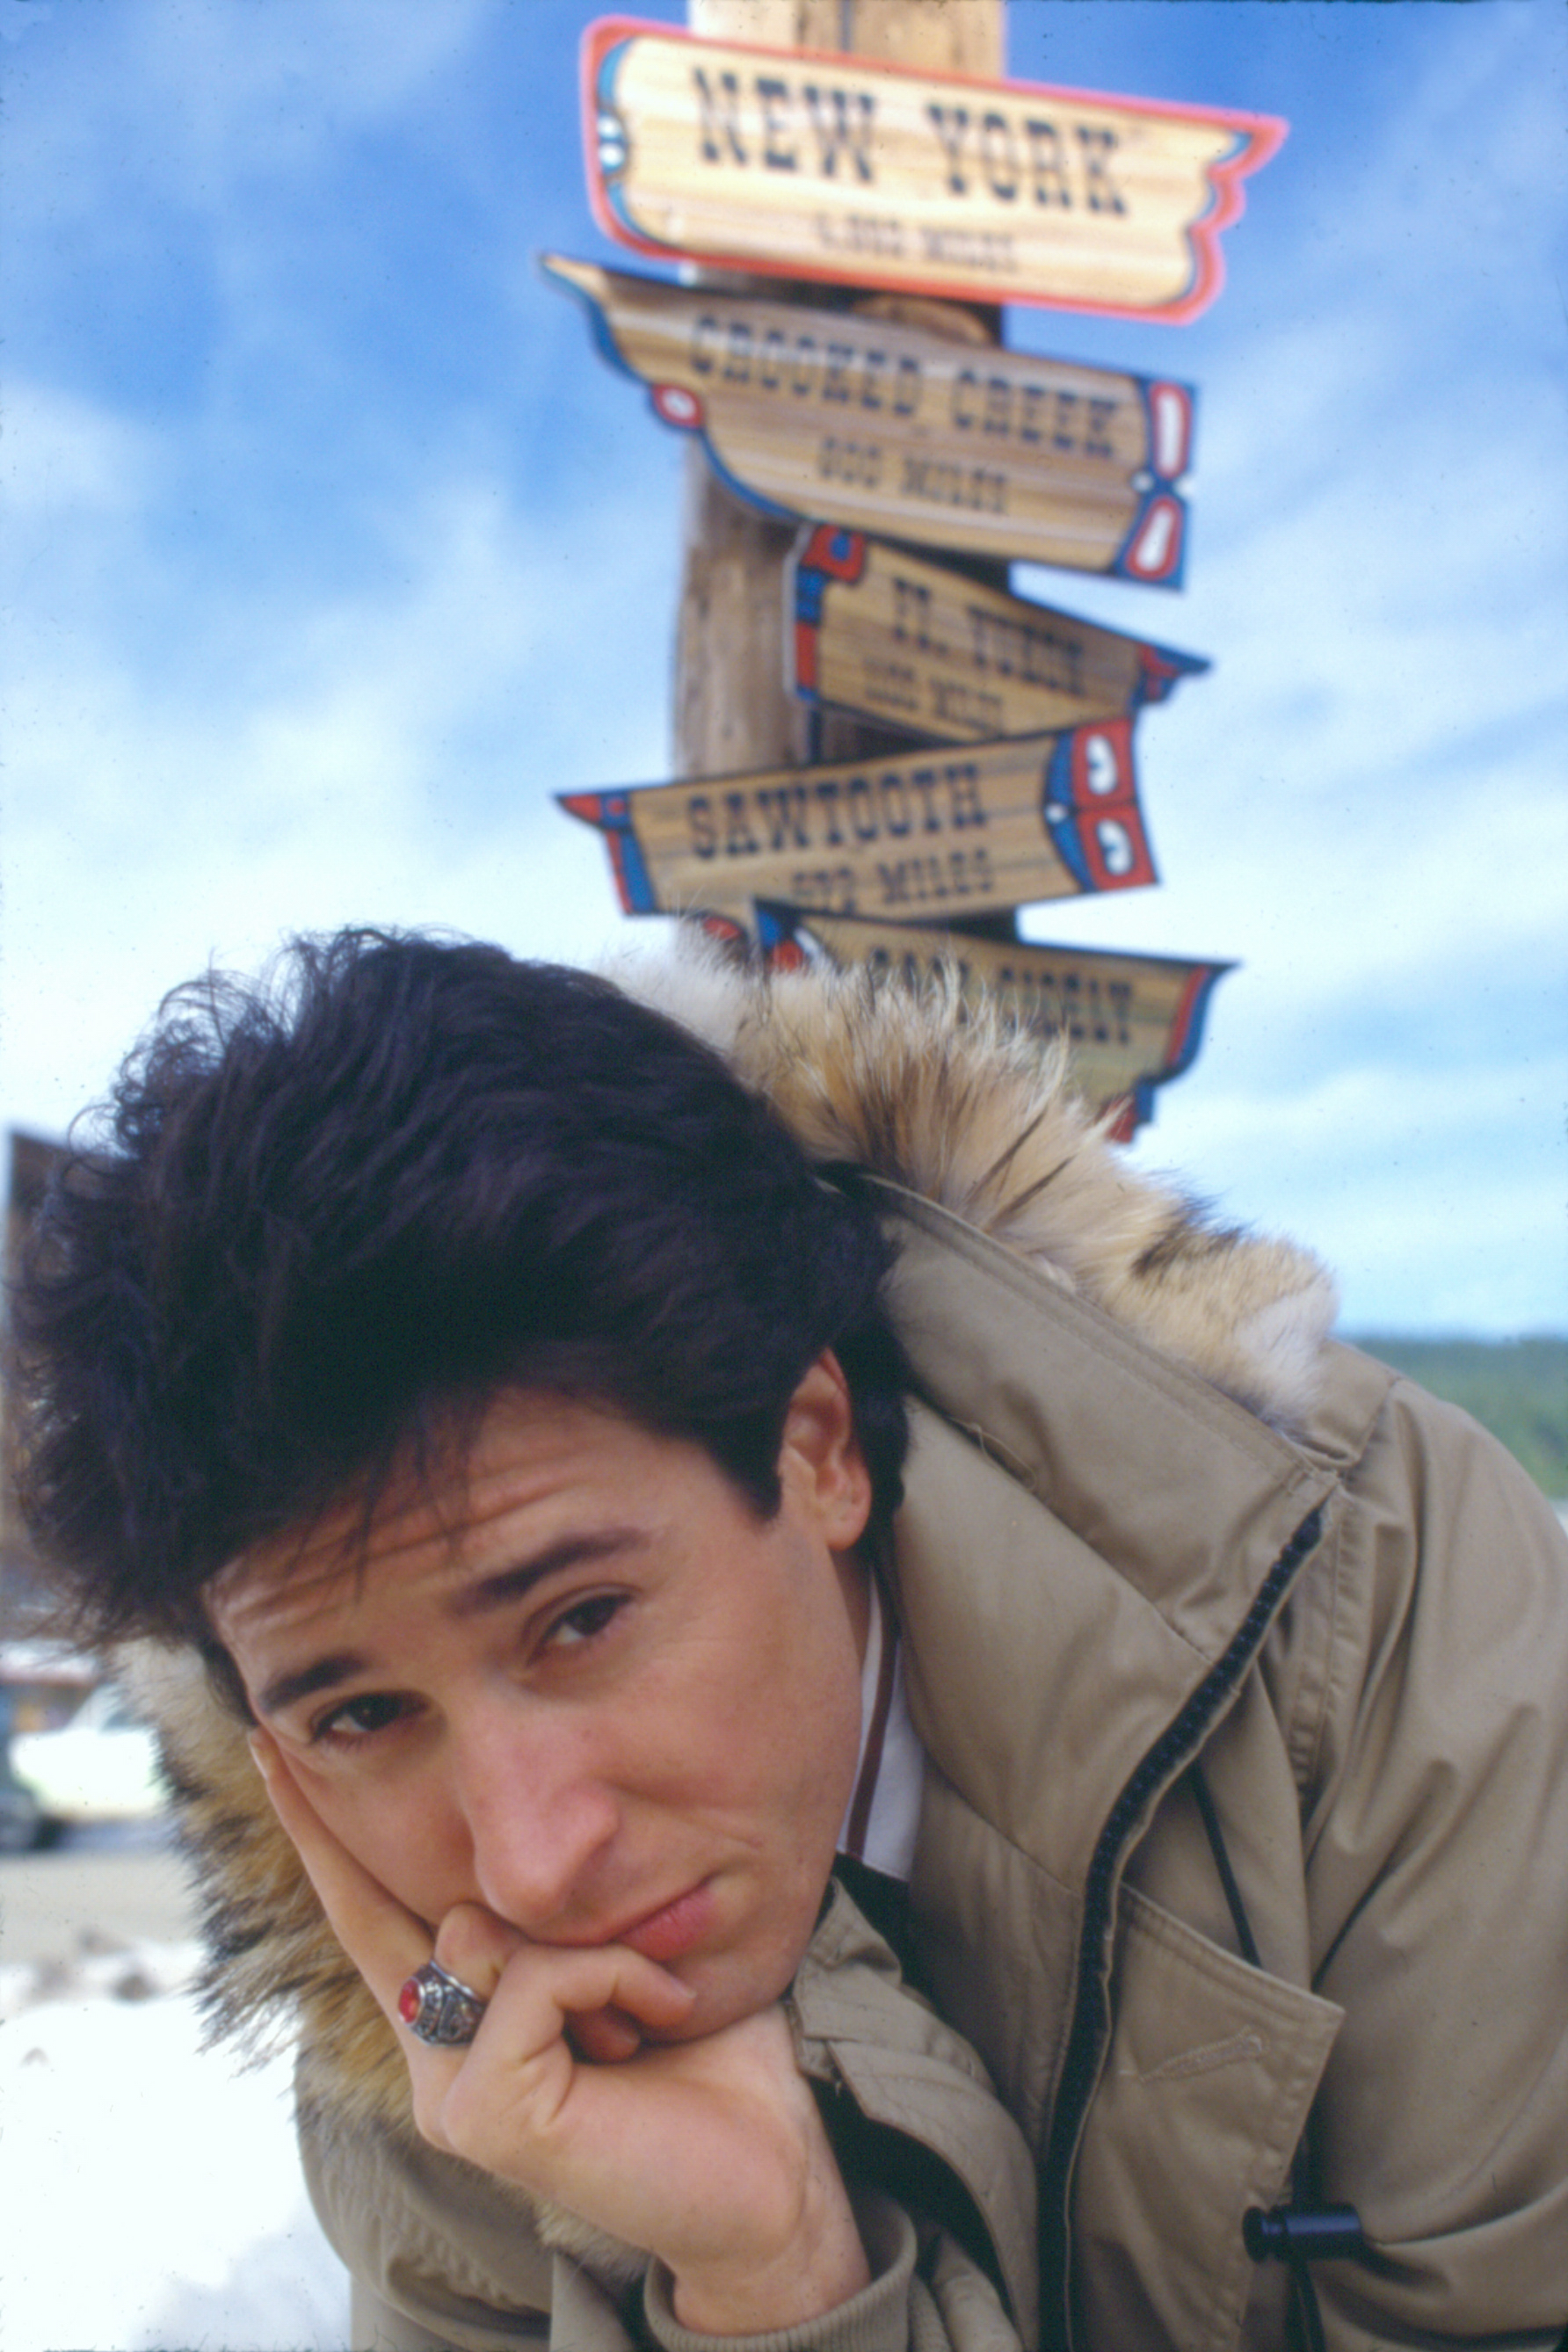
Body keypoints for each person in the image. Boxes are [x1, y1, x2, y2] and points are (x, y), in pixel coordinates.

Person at [11, 926, 1566, 2352]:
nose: (532, 1867)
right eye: (361, 1717)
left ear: (818, 1445)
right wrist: (778, 2286)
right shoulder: (432, 2040)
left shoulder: (1383, 1603)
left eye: (581, 1619)